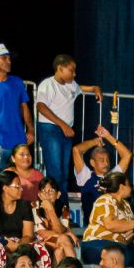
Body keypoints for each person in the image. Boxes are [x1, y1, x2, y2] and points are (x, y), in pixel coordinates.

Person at [36, 54, 102, 189]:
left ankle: (62, 200)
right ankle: (53, 199)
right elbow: (41, 106)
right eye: (71, 70)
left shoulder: (71, 85)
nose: (74, 74)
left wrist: (95, 88)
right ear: (60, 69)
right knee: (55, 171)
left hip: (66, 132)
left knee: (64, 173)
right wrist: (63, 125)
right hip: (51, 129)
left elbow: (81, 88)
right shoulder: (47, 85)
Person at [80, 171, 134, 263]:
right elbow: (111, 224)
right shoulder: (105, 199)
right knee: (122, 255)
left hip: (118, 245)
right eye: (129, 185)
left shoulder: (125, 204)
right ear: (122, 187)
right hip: (98, 244)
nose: (131, 188)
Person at [73, 126, 132, 226]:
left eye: (107, 160)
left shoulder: (113, 176)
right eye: (102, 160)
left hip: (115, 225)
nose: (106, 163)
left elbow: (127, 155)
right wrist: (95, 141)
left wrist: (108, 137)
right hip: (94, 227)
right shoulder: (85, 176)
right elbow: (76, 150)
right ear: (92, 163)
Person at [0, 170, 34, 246]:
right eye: (17, 186)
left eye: (21, 186)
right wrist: (8, 246)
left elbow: (28, 236)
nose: (21, 189)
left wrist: (17, 245)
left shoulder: (25, 205)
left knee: (36, 247)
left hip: (19, 245)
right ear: (5, 188)